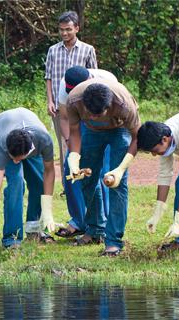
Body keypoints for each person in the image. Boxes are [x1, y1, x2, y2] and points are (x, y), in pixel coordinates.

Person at [61, 78, 141, 256]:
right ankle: (96, 229)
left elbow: (137, 137)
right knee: (86, 180)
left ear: (110, 105)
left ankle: (113, 242)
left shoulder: (124, 105)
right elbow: (74, 132)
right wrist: (74, 160)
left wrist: (120, 169)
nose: (94, 117)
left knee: (117, 185)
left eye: (99, 115)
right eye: (90, 114)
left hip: (119, 130)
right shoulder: (74, 101)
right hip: (91, 132)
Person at [0, 108, 56, 251]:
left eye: (19, 159)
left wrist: (47, 210)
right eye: (12, 158)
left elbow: (49, 171)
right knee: (16, 184)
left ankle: (34, 229)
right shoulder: (2, 145)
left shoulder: (44, 140)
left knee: (38, 182)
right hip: (0, 127)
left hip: (32, 137)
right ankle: (12, 238)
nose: (16, 162)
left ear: (29, 152)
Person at [55, 66, 116, 239]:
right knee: (71, 170)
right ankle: (79, 220)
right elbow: (65, 117)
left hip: (105, 121)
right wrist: (69, 142)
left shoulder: (107, 81)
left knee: (101, 171)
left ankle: (104, 222)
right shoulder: (64, 85)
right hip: (80, 121)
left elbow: (114, 114)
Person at [45, 11, 97, 184]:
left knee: (83, 141)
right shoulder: (53, 50)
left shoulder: (88, 50)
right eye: (61, 30)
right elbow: (49, 77)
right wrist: (50, 100)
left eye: (68, 29)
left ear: (77, 28)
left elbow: (93, 78)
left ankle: (85, 177)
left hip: (82, 106)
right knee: (64, 144)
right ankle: (67, 183)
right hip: (60, 106)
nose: (64, 33)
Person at [137, 110, 179, 254]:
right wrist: (157, 212)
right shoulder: (163, 132)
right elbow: (164, 175)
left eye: (155, 150)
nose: (154, 154)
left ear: (164, 139)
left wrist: (177, 223)